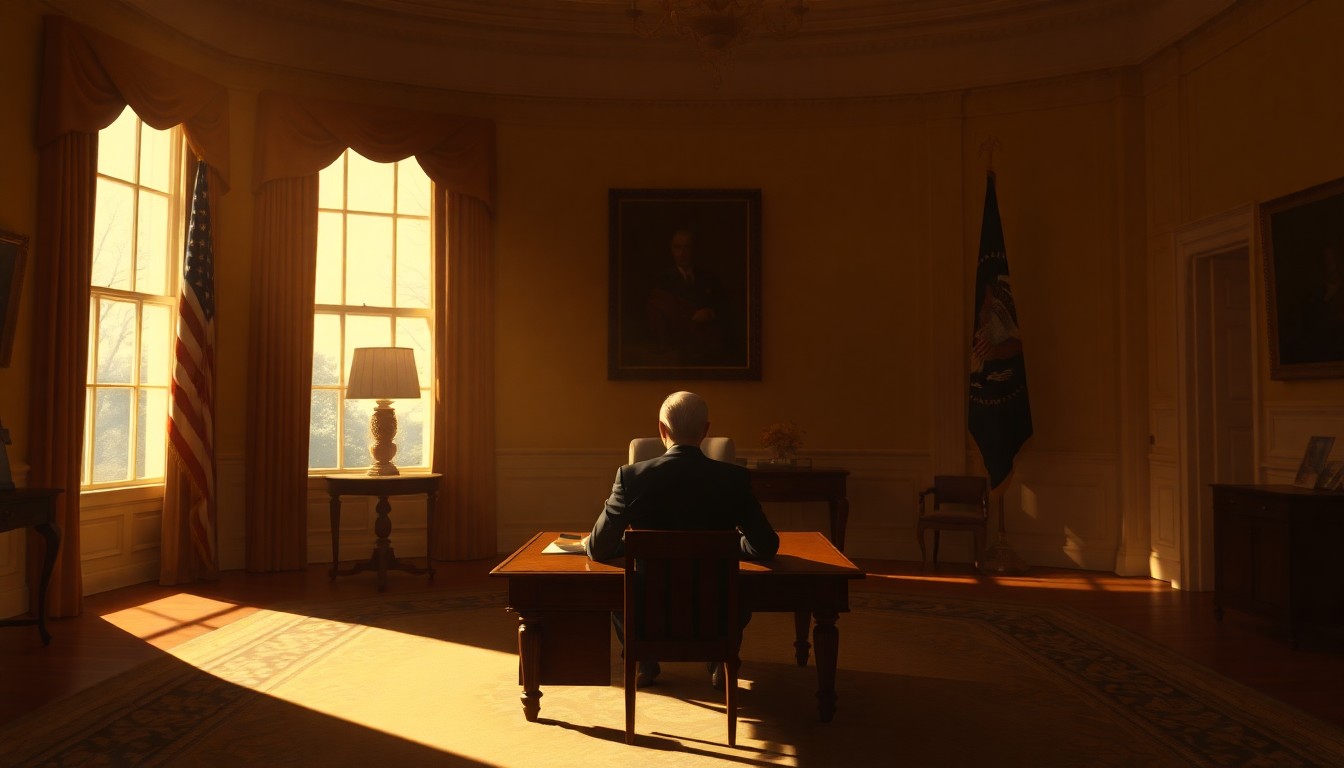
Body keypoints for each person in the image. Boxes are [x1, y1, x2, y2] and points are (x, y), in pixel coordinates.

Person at [585, 391, 778, 687]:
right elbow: (765, 546)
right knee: (740, 590)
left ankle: (644, 660)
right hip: (717, 612)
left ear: (662, 430)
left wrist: (638, 547)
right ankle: (720, 658)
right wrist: (727, 547)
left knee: (620, 592)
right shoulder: (734, 479)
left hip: (647, 614)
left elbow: (598, 549)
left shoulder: (631, 477)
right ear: (706, 430)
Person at [644, 228, 730, 365]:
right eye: (677, 247)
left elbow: (725, 308)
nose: (682, 253)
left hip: (708, 347)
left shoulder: (710, 278)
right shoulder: (661, 280)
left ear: (695, 249)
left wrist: (710, 312)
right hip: (678, 347)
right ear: (671, 249)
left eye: (687, 247)